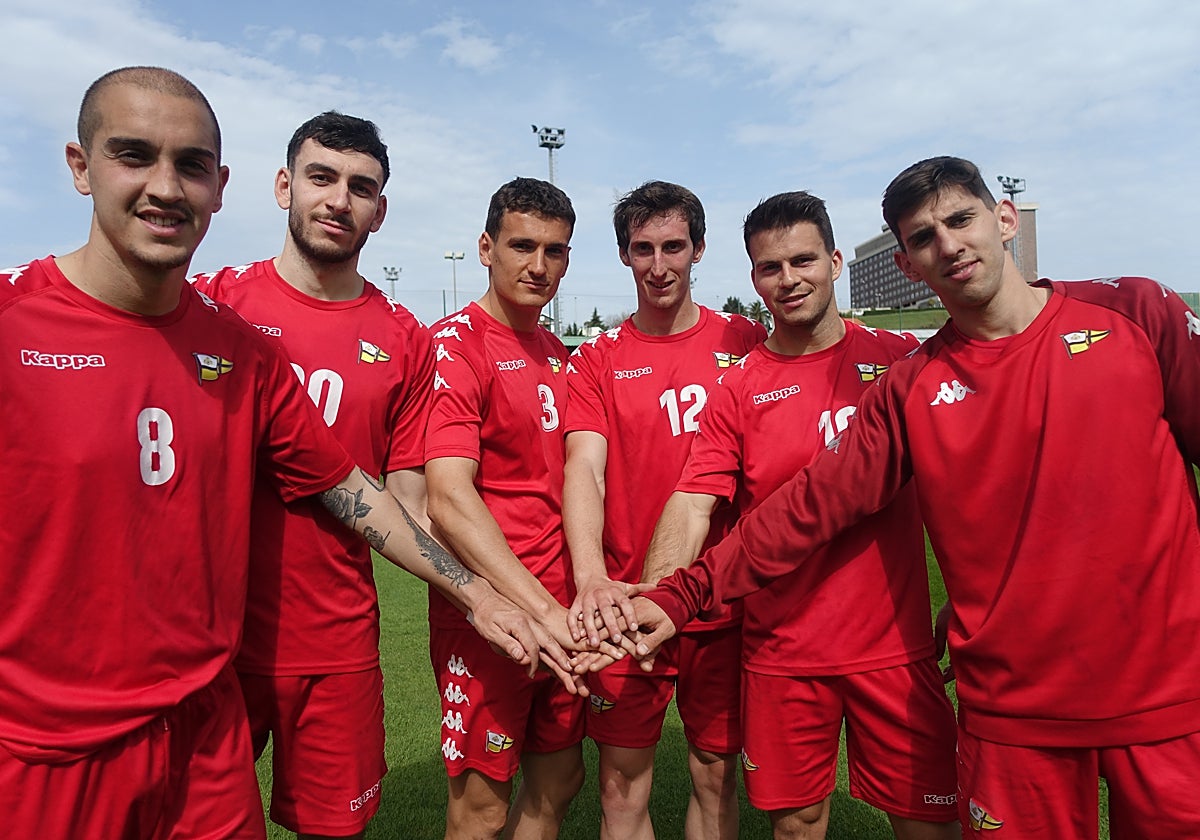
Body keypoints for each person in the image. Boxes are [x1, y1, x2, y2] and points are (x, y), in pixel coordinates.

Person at [0, 66, 551, 840]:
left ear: (217, 187)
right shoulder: (29, 317)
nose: (165, 187)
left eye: (189, 165)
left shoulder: (250, 350)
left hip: (225, 700)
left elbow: (359, 490)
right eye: (133, 155)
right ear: (80, 167)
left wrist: (480, 595)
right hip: (58, 733)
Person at [628, 156, 1200, 839]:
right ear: (907, 264)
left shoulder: (1136, 311)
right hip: (1010, 714)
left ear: (1005, 219)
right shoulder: (911, 386)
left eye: (960, 219)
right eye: (924, 237)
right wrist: (680, 592)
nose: (950, 244)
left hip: (1171, 695)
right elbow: (808, 506)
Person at [639, 191, 958, 840]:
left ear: (836, 261)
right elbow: (693, 501)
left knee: (929, 823)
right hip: (784, 650)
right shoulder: (742, 387)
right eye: (769, 268)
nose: (788, 281)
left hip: (895, 649)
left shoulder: (903, 359)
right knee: (797, 826)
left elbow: (972, 484)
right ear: (754, 277)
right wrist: (659, 595)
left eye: (803, 261)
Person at [191, 111, 427, 839]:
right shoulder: (209, 303)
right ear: (284, 186)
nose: (338, 200)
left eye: (361, 187)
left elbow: (411, 505)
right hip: (207, 641)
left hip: (336, 641)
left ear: (379, 212)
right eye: (321, 178)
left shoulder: (404, 339)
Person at [564, 181, 765, 840]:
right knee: (621, 787)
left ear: (699, 249)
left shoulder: (744, 340)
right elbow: (585, 469)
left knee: (714, 776)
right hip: (626, 603)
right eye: (642, 248)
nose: (658, 265)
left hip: (718, 603)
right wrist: (592, 577)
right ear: (625, 255)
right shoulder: (597, 359)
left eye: (673, 246)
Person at [425, 177, 604, 838]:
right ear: (485, 248)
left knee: (561, 778)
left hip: (560, 615)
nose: (538, 265)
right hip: (494, 616)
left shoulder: (560, 356)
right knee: (480, 808)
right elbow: (447, 497)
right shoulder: (455, 345)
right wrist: (542, 612)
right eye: (522, 245)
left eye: (555, 251)